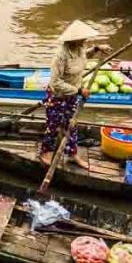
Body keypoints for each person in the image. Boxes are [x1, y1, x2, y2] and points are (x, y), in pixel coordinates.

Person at [43, 21, 108, 169]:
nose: (85, 40)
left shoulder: (80, 49)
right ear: (74, 39)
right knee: (53, 126)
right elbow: (55, 82)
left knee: (71, 125)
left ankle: (72, 154)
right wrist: (78, 91)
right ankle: (45, 152)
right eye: (83, 38)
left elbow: (84, 56)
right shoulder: (60, 56)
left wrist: (97, 49)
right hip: (57, 96)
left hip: (72, 95)